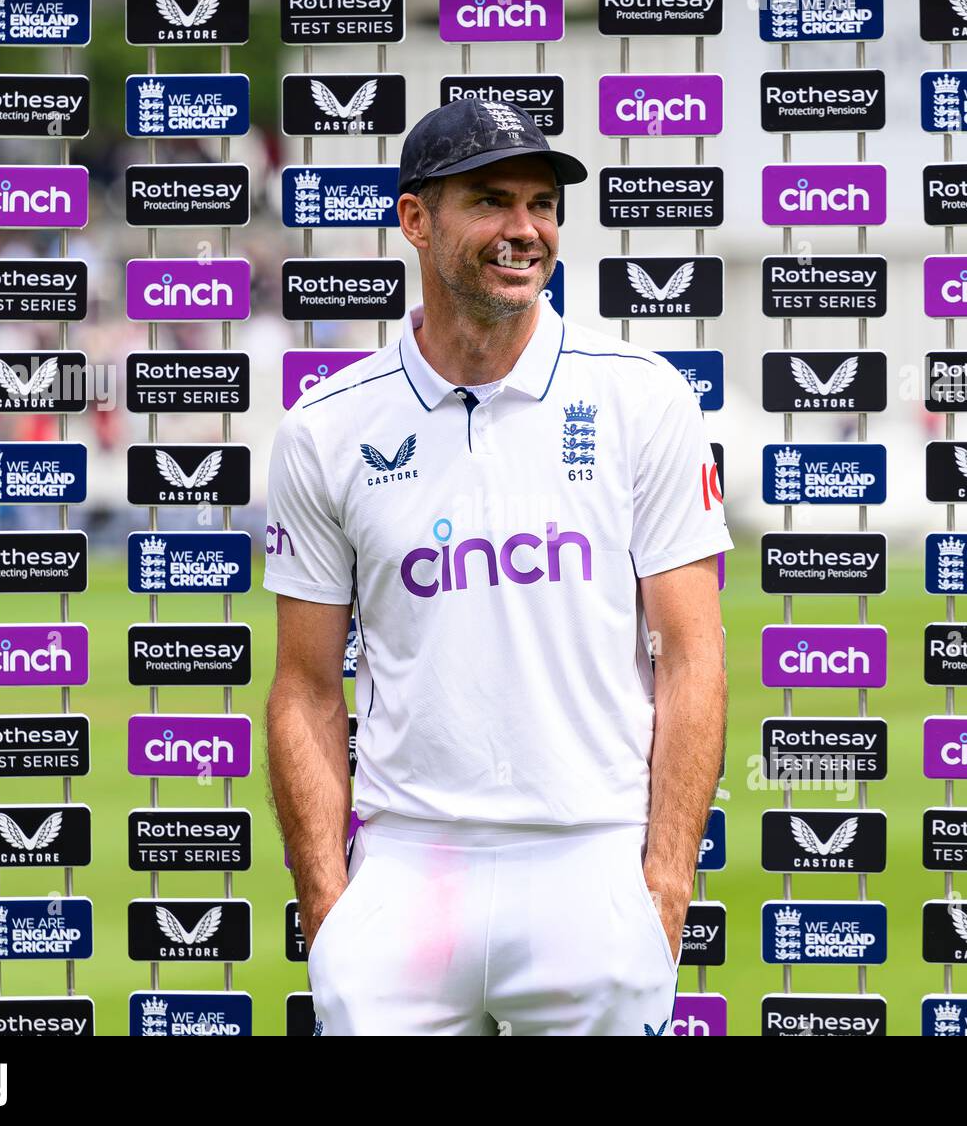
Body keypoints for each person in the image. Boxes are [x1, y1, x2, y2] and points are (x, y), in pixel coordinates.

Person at [264, 98, 733, 1036]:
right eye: (491, 200)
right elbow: (306, 689)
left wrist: (664, 888)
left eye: (542, 204)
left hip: (589, 865)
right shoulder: (327, 428)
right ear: (414, 219)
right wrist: (329, 904)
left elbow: (694, 657)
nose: (526, 230)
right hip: (407, 873)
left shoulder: (643, 399)